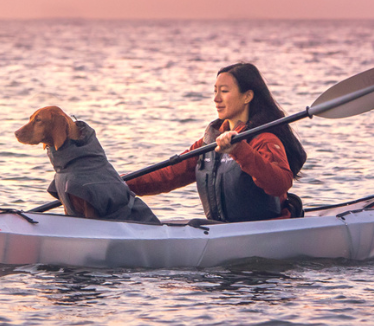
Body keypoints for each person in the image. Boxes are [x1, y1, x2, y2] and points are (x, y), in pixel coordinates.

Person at [127, 63, 306, 222]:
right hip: (223, 229)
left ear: (247, 96)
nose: (216, 98)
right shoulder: (209, 142)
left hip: (266, 228)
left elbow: (280, 184)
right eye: (215, 91)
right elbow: (169, 174)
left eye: (225, 91)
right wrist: (118, 185)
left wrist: (239, 150)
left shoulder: (265, 140)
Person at [16, 106, 159, 223]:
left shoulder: (86, 174)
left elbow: (92, 225)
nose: (20, 131)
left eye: (37, 121)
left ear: (56, 129)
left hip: (138, 228)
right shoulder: (65, 171)